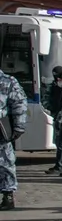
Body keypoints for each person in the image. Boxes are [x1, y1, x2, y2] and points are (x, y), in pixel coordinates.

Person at [0, 68, 27, 211]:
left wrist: (19, 126)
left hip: (0, 129)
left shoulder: (7, 81)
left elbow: (19, 103)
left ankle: (7, 195)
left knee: (5, 162)